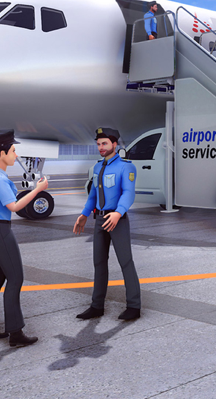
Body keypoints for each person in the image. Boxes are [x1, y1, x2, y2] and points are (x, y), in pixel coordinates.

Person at [0, 129, 44, 347]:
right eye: (13, 150)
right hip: (0, 231)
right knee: (15, 278)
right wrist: (37, 190)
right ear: (2, 152)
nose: (16, 155)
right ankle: (15, 333)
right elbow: (14, 206)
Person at [73, 127, 141, 321]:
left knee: (126, 262)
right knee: (99, 263)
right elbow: (93, 195)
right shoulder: (97, 167)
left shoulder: (126, 167)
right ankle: (97, 306)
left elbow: (129, 193)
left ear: (114, 144)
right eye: (98, 144)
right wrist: (84, 214)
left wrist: (118, 213)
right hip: (100, 219)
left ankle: (134, 306)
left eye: (104, 143)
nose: (101, 147)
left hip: (116, 220)